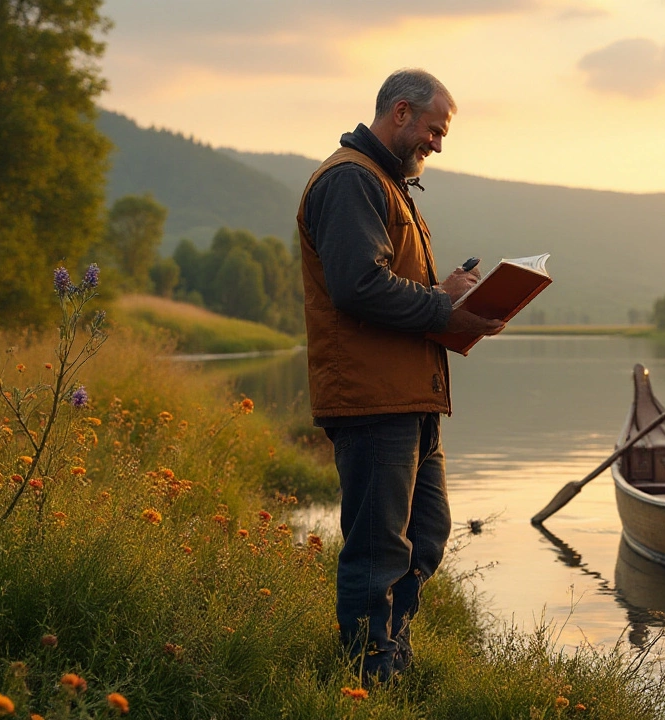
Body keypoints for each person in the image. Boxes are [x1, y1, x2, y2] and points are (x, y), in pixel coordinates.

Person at [296, 68, 503, 682]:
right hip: (370, 403)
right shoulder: (351, 180)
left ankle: (392, 661)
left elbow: (398, 288)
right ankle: (367, 676)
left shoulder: (387, 183)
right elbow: (358, 286)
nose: (437, 144)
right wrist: (445, 304)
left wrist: (458, 302)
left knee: (427, 536)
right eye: (435, 131)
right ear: (402, 113)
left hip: (410, 399)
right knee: (378, 551)